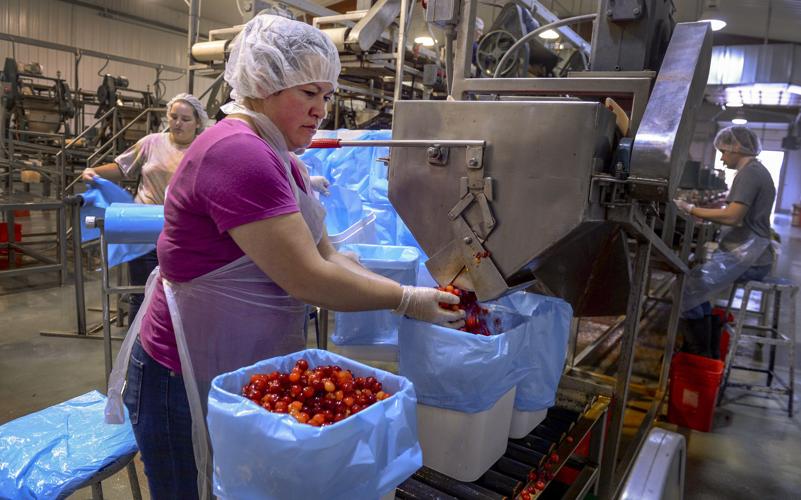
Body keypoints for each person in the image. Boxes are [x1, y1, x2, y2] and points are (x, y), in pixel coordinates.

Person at [110, 15, 464, 499]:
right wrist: (403, 299)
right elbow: (310, 279)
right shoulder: (239, 153)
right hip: (181, 375)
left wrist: (407, 285)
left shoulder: (279, 156)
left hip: (230, 363)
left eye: (327, 95)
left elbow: (327, 254)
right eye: (308, 93)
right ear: (263, 83)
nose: (321, 109)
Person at [81, 93, 208, 321]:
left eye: (186, 119)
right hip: (144, 227)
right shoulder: (152, 142)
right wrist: (95, 172)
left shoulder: (204, 148)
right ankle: (137, 347)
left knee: (179, 293)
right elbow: (122, 168)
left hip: (183, 232)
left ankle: (171, 344)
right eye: (174, 117)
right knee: (141, 293)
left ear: (198, 122)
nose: (178, 123)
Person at [674, 126, 776, 358]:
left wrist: (691, 208)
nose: (721, 157)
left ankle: (700, 354)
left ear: (736, 148)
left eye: (723, 151)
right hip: (746, 253)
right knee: (694, 287)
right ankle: (706, 348)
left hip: (749, 258)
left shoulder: (750, 173)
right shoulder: (753, 171)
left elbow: (732, 216)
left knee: (686, 288)